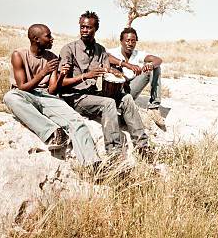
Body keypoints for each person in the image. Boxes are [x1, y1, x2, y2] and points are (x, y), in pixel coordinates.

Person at [2, 23, 100, 168]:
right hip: (24, 94)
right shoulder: (19, 55)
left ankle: (93, 165)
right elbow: (22, 86)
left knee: (77, 122)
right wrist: (43, 72)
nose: (52, 39)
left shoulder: (52, 57)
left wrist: (61, 75)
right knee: (10, 97)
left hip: (45, 96)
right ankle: (53, 132)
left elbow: (52, 90)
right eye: (48, 36)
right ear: (36, 39)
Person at [58, 11, 150, 159]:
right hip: (75, 97)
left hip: (93, 94)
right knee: (108, 103)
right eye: (82, 27)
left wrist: (117, 74)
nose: (85, 30)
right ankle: (114, 152)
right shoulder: (69, 49)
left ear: (96, 29)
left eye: (89, 27)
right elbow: (60, 84)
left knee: (126, 98)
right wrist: (85, 76)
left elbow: (107, 70)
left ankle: (142, 146)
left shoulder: (100, 50)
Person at [107, 27, 164, 112]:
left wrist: (151, 66)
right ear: (121, 41)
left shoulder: (138, 54)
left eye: (133, 41)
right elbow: (105, 56)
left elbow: (158, 60)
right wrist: (126, 65)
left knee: (155, 67)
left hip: (130, 90)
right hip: (114, 91)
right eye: (127, 40)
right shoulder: (113, 52)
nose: (130, 44)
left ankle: (154, 107)